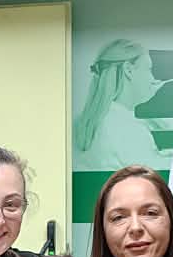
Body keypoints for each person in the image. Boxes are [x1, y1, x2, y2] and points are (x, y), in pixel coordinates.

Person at [72, 40, 167, 171]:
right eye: (149, 69)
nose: (152, 78)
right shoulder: (131, 131)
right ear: (128, 70)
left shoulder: (83, 122)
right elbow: (156, 177)